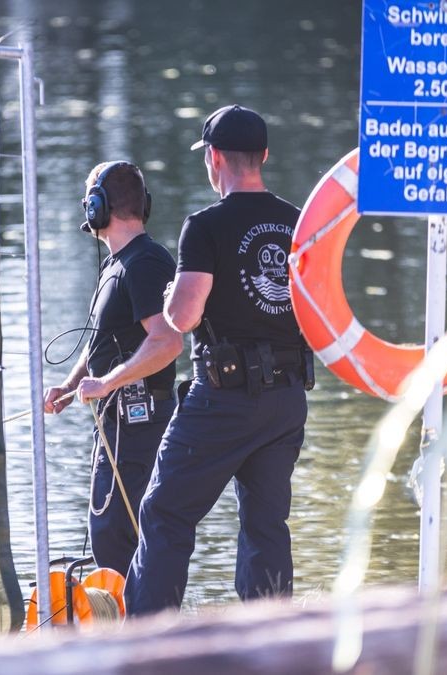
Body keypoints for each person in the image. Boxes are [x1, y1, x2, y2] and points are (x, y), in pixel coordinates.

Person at [125, 105, 313, 615]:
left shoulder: (204, 226)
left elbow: (183, 317)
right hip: (287, 397)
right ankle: (273, 642)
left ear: (214, 159)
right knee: (266, 524)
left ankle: (147, 648)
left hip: (225, 399)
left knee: (165, 512)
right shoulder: (298, 221)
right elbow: (318, 309)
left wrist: (168, 295)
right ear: (264, 156)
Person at [42, 161, 182, 575]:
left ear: (97, 207)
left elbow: (167, 342)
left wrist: (106, 383)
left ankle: (143, 633)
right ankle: (130, 630)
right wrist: (70, 387)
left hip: (139, 427)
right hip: (116, 425)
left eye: (89, 199)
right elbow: (104, 341)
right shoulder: (116, 265)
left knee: (119, 540)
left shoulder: (146, 264)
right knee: (109, 539)